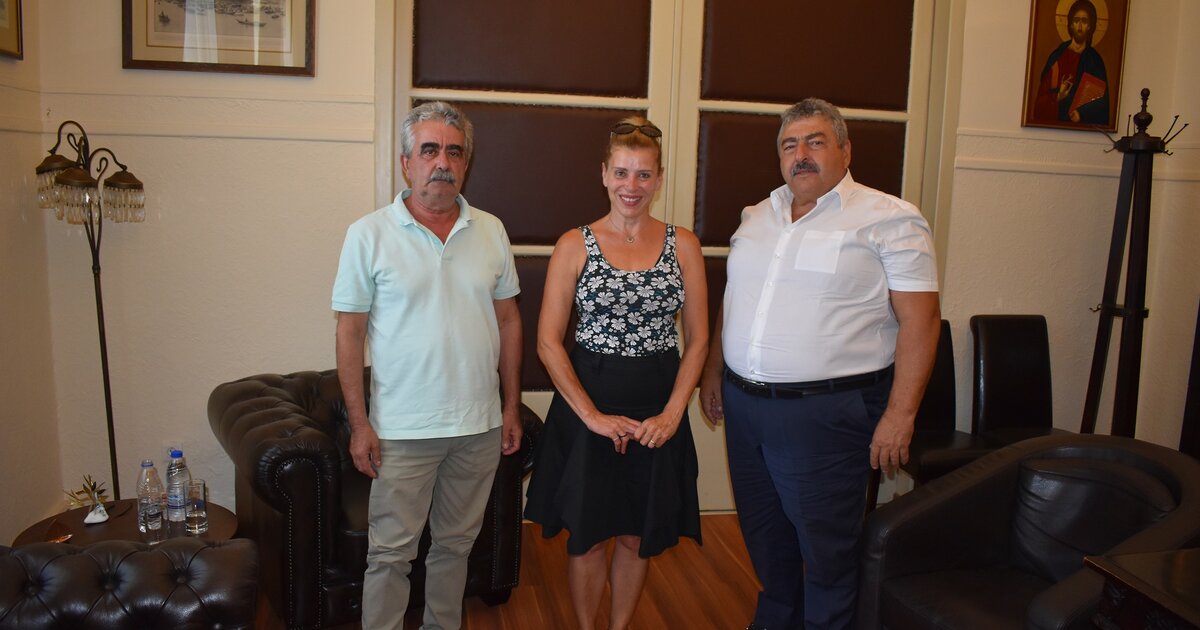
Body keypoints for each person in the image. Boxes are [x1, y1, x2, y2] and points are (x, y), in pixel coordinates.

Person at [698, 98, 940, 629]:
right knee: (765, 538)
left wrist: (900, 415)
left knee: (827, 553)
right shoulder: (756, 217)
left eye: (815, 142)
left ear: (845, 151)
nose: (800, 154)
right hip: (745, 409)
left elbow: (922, 323)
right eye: (789, 145)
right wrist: (713, 369)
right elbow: (736, 299)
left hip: (825, 416)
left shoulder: (890, 218)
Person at [331, 101, 524, 630]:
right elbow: (349, 333)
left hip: (478, 428)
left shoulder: (491, 230)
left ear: (466, 163)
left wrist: (510, 407)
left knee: (456, 547)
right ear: (406, 163)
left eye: (454, 152)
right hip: (402, 430)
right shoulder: (368, 234)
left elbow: (509, 322)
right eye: (430, 150)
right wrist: (360, 424)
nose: (442, 162)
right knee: (390, 555)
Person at [524, 117, 708, 630]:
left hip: (658, 408)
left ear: (659, 178)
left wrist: (672, 414)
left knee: (635, 534)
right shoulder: (574, 244)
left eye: (644, 174)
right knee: (589, 536)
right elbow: (547, 343)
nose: (632, 186)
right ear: (604, 174)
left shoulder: (684, 245)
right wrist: (592, 417)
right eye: (622, 173)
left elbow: (698, 340)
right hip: (588, 405)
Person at [1033, 0, 1110, 125]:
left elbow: (1102, 103)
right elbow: (1039, 104)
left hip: (1082, 130)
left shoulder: (1095, 61)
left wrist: (1081, 113)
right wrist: (1058, 96)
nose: (1079, 25)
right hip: (1055, 127)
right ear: (1071, 24)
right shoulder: (1057, 57)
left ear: (1090, 26)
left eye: (1084, 21)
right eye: (1076, 20)